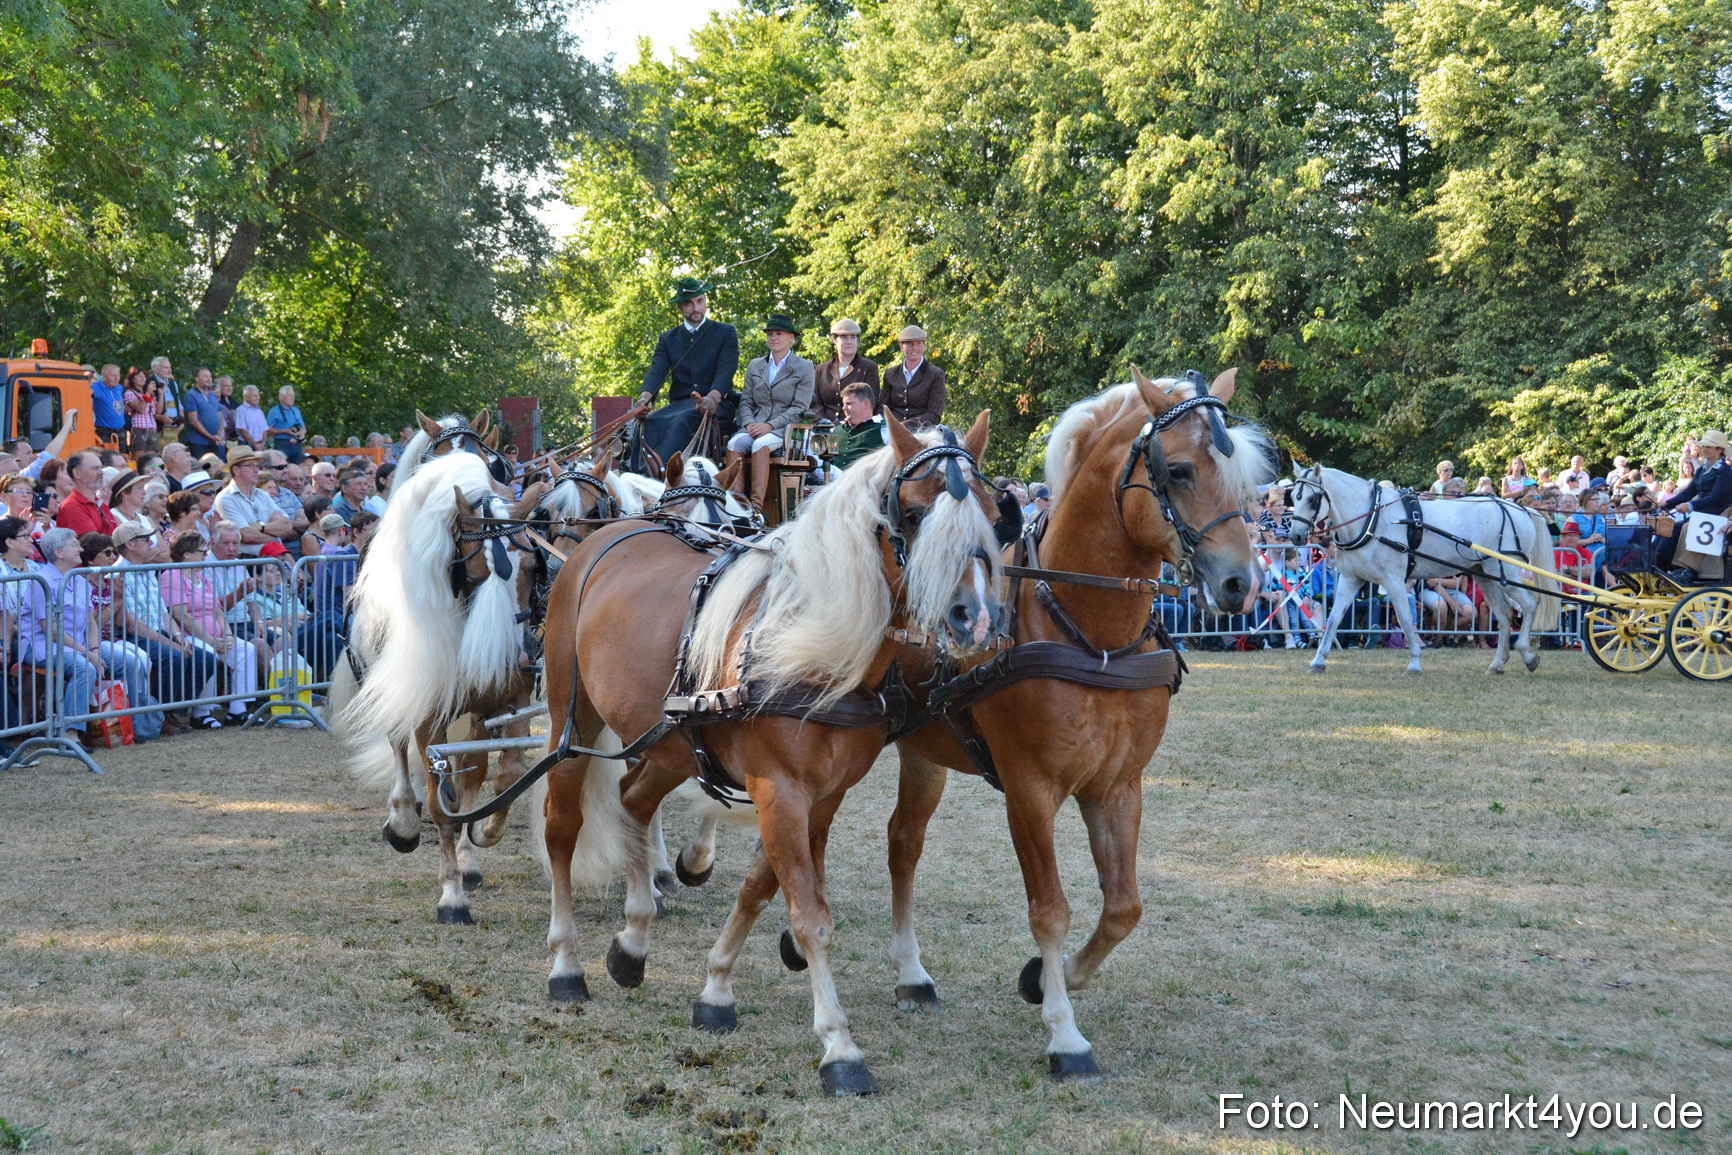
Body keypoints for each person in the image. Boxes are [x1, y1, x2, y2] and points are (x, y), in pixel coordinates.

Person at [115, 523, 215, 733]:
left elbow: (164, 613)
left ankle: (172, 710)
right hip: (133, 637)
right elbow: (132, 625)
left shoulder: (146, 571)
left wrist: (179, 636)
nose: (152, 543)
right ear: (130, 545)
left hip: (155, 632)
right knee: (174, 657)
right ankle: (161, 713)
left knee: (205, 659)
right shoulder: (118, 574)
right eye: (145, 540)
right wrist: (172, 643)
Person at [636, 276, 740, 465]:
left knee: (682, 421)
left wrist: (714, 396)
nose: (696, 308)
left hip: (717, 404)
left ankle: (667, 475)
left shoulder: (725, 332)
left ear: (705, 301)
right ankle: (640, 474)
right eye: (689, 303)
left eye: (700, 301)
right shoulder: (668, 339)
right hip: (679, 404)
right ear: (680, 307)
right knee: (648, 422)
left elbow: (727, 369)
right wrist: (645, 397)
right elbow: (657, 370)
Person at [161, 533, 258, 727]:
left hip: (217, 635)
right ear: (187, 554)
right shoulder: (171, 576)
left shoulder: (202, 577)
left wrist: (228, 635)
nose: (206, 554)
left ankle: (238, 710)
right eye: (202, 551)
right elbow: (181, 615)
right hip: (189, 636)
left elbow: (218, 612)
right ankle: (200, 712)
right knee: (208, 653)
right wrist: (211, 640)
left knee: (246, 649)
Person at [18, 527, 103, 746]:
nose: (81, 548)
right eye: (74, 544)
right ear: (58, 551)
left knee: (131, 661)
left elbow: (91, 622)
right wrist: (87, 654)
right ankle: (70, 733)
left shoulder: (79, 579)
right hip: (42, 647)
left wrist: (94, 650)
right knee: (84, 667)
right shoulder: (41, 581)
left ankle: (133, 727)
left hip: (78, 646)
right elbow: (51, 630)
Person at [725, 314, 815, 512]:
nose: (773, 337)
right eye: (770, 334)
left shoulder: (804, 367)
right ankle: (734, 504)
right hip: (755, 425)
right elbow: (746, 401)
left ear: (792, 338)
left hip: (785, 429)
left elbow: (799, 408)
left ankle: (756, 508)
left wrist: (770, 426)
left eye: (779, 334)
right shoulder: (755, 365)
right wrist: (749, 423)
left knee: (760, 443)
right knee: (734, 442)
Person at [1658, 429, 1732, 575]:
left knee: (1685, 527)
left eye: (1708, 446)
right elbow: (1688, 492)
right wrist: (1666, 504)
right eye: (1703, 446)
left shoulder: (1724, 471)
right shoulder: (1701, 470)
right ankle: (1660, 564)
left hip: (1719, 513)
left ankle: (1686, 570)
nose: (1703, 449)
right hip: (1703, 512)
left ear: (1720, 450)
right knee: (1671, 528)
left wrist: (1691, 505)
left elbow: (1716, 497)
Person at [212, 448, 292, 556]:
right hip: (247, 564)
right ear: (236, 470)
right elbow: (246, 535)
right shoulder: (226, 498)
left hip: (273, 559)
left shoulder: (262, 495)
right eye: (250, 465)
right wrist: (275, 535)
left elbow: (287, 526)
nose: (256, 471)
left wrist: (260, 527)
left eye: (257, 466)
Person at [812, 318, 879, 421]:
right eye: (844, 338)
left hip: (856, 427)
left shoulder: (869, 368)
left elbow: (870, 403)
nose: (849, 342)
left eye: (853, 337)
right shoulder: (821, 369)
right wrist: (822, 423)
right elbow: (816, 403)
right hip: (824, 428)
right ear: (835, 340)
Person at [880, 325, 946, 429]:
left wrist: (907, 426)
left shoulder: (936, 374)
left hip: (923, 431)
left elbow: (934, 414)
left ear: (924, 346)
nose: (914, 348)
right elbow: (884, 408)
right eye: (909, 344)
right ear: (901, 347)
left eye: (919, 343)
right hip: (892, 430)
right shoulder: (890, 374)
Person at [824, 383, 887, 478]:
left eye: (849, 403)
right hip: (832, 488)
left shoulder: (885, 431)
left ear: (866, 404)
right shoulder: (834, 431)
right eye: (843, 404)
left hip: (867, 489)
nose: (844, 408)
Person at [54, 451, 118, 538]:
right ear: (77, 473)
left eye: (101, 467)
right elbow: (93, 544)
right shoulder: (71, 506)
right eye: (95, 468)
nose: (101, 472)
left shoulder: (100, 505)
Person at [181, 367, 227, 463]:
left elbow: (220, 417)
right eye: (205, 376)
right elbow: (193, 421)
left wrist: (218, 434)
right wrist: (210, 436)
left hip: (215, 442)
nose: (209, 379)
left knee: (217, 469)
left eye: (210, 376)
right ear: (197, 379)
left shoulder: (213, 396)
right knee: (201, 469)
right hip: (198, 442)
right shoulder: (191, 395)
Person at [123, 367, 160, 455]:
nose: (143, 378)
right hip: (138, 428)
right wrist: (147, 393)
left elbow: (158, 410)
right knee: (139, 458)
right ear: (132, 379)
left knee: (151, 458)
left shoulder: (147, 393)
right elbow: (140, 409)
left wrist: (161, 394)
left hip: (151, 427)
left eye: (144, 376)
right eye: (139, 376)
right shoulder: (129, 393)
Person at [266, 386, 307, 463]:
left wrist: (301, 433)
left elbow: (303, 427)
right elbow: (268, 430)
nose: (292, 398)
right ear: (281, 397)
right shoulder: (274, 411)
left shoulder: (296, 410)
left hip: (297, 444)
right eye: (290, 395)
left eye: (293, 396)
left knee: (297, 468)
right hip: (282, 444)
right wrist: (285, 431)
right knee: (282, 467)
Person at [92, 364, 126, 448]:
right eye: (113, 376)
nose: (116, 378)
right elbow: (85, 393)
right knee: (107, 457)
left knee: (122, 457)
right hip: (104, 431)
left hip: (120, 430)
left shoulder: (119, 388)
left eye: (118, 375)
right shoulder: (97, 387)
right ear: (104, 377)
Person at [148, 356, 182, 433]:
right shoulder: (149, 383)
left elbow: (178, 404)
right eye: (165, 367)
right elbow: (146, 410)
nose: (169, 370)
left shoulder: (172, 383)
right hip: (157, 429)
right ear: (156, 369)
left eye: (170, 367)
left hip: (174, 427)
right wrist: (160, 417)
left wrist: (181, 422)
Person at [231, 385, 269, 452]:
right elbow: (243, 431)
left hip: (261, 445)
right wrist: (255, 445)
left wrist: (263, 444)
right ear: (245, 397)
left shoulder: (259, 411)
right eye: (254, 395)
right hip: (246, 445)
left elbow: (264, 430)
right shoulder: (241, 410)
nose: (257, 398)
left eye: (258, 395)